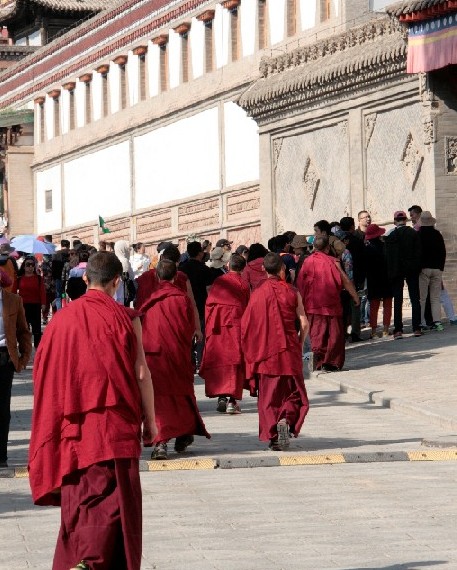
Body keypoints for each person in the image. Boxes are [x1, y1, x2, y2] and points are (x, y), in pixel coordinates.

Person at [28, 252, 156, 570]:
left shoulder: (60, 322)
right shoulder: (128, 318)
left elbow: (43, 372)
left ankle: (84, 556)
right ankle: (93, 559)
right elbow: (142, 372)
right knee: (114, 500)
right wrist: (151, 420)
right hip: (116, 424)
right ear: (117, 282)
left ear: (85, 279)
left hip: (74, 427)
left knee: (81, 498)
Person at [141, 259, 210, 460]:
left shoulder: (150, 301)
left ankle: (162, 442)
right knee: (181, 395)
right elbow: (187, 329)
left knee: (159, 401)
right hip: (177, 355)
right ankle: (178, 435)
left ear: (157, 276)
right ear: (175, 277)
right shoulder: (182, 299)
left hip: (154, 357)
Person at [241, 253, 309, 451]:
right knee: (293, 392)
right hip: (289, 350)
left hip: (265, 354)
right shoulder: (292, 291)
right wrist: (299, 341)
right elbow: (304, 322)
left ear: (264, 269)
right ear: (282, 270)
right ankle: (285, 419)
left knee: (269, 398)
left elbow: (246, 327)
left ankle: (274, 436)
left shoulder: (257, 294)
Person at [296, 236, 359, 372]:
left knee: (317, 334)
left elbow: (300, 285)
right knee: (334, 335)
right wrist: (355, 297)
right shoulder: (333, 261)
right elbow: (345, 280)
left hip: (312, 305)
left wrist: (300, 306)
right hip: (331, 304)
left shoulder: (307, 262)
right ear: (328, 248)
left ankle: (318, 359)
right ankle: (330, 363)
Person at [199, 254, 250, 414]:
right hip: (236, 327)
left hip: (217, 328)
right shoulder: (243, 284)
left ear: (228, 266)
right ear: (243, 268)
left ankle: (221, 396)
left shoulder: (220, 282)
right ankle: (232, 401)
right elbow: (248, 307)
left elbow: (209, 304)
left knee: (220, 360)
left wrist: (208, 327)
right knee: (235, 362)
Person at [134, 245, 203, 342]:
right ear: (178, 262)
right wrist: (198, 328)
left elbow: (138, 304)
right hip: (177, 334)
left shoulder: (146, 277)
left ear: (161, 258)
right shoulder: (181, 277)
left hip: (151, 333)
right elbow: (192, 304)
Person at [0, 269, 32, 468]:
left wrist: (23, 359)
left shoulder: (13, 300)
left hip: (4, 358)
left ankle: (1, 456)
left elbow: (23, 331)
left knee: (2, 410)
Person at [384, 210, 422, 339]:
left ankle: (398, 330)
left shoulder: (391, 235)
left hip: (396, 271)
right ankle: (416, 328)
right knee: (415, 299)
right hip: (411, 269)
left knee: (398, 300)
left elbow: (387, 256)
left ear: (395, 222)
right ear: (405, 220)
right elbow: (418, 252)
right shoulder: (413, 233)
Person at [179, 241, 215, 368]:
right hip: (201, 305)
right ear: (200, 253)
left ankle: (189, 361)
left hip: (185, 307)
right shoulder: (205, 269)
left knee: (187, 335)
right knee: (201, 335)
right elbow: (209, 290)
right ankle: (200, 360)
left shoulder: (181, 269)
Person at [418, 211, 446, 331]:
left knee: (422, 298)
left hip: (423, 269)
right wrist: (441, 268)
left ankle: (422, 323)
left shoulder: (418, 235)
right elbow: (443, 252)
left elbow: (417, 253)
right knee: (435, 297)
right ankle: (437, 322)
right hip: (437, 269)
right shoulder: (437, 234)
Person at [339, 217, 366, 342]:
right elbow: (362, 261)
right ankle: (355, 332)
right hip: (354, 279)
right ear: (352, 226)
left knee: (343, 307)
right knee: (355, 305)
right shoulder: (357, 240)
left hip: (339, 280)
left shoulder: (336, 242)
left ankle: (343, 332)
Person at [363, 224, 393, 338]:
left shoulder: (366, 249)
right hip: (386, 278)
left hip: (373, 280)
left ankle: (374, 332)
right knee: (387, 305)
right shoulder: (385, 246)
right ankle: (385, 330)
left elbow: (364, 266)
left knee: (374, 306)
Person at [17, 256, 46, 349]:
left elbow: (42, 291)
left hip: (35, 306)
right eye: (28, 265)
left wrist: (43, 303)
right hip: (23, 306)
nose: (30, 267)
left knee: (36, 329)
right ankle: (25, 347)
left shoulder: (38, 279)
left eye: (32, 265)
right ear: (24, 267)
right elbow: (13, 292)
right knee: (24, 328)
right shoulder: (19, 279)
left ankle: (38, 348)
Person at [114, 240, 136, 306]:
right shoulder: (124, 260)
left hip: (115, 290)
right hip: (124, 291)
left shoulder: (114, 258)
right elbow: (130, 276)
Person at [52, 240, 70, 310]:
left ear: (61, 245)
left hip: (58, 277)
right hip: (68, 277)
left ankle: (59, 310)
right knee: (66, 293)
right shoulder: (71, 253)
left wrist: (53, 278)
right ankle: (67, 308)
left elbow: (53, 267)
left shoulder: (56, 254)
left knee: (59, 295)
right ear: (68, 245)